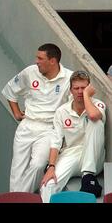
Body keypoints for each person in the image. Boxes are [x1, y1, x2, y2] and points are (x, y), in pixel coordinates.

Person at [2, 43, 73, 193]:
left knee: (39, 164)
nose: (36, 61)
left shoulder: (68, 78)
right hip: (27, 125)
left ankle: (17, 199)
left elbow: (72, 107)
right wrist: (16, 112)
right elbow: (10, 90)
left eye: (40, 58)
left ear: (52, 61)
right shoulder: (30, 72)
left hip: (49, 128)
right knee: (17, 170)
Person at [40, 71, 105, 202]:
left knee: (95, 122)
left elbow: (93, 115)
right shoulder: (62, 111)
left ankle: (88, 176)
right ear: (70, 90)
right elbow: (56, 141)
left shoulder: (98, 105)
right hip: (72, 154)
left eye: (84, 88)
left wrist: (87, 95)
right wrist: (51, 167)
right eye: (76, 88)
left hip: (94, 158)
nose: (80, 91)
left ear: (89, 88)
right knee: (48, 184)